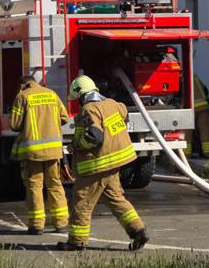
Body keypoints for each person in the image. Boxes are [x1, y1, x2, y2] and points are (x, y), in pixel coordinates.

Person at [57, 74, 149, 252]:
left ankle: (76, 242)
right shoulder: (113, 105)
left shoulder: (88, 110)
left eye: (78, 99)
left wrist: (75, 145)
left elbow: (94, 136)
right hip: (113, 164)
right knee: (116, 199)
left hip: (95, 166)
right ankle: (138, 231)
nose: (79, 103)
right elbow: (124, 115)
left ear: (82, 95)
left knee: (81, 202)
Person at [10, 74, 69, 235]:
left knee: (34, 187)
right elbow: (64, 118)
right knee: (55, 185)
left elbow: (14, 124)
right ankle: (61, 223)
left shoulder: (22, 97)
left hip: (32, 152)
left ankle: (37, 225)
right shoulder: (52, 94)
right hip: (54, 150)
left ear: (23, 85)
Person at [185, 75, 209, 158]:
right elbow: (206, 90)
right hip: (203, 106)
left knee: (187, 131)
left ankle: (186, 156)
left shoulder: (181, 77)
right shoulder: (194, 76)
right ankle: (208, 154)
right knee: (205, 130)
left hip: (190, 109)